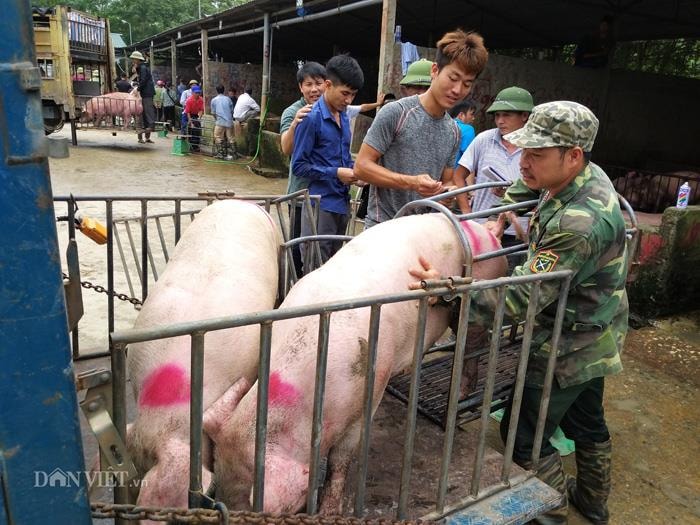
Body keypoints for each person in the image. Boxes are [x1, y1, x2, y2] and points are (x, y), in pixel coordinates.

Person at [410, 101, 628, 525]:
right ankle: (594, 505)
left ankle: (551, 515)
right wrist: (500, 214)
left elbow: (519, 299)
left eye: (536, 155)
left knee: (522, 435)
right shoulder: (581, 175)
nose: (524, 163)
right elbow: (532, 185)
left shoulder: (579, 223)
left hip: (567, 343)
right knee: (588, 422)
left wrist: (449, 292)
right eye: (523, 152)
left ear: (573, 155)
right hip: (599, 330)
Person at [354, 30, 489, 228]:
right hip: (383, 228)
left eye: (467, 84)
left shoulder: (453, 131)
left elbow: (448, 181)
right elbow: (361, 166)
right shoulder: (396, 113)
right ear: (435, 71)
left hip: (424, 231)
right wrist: (411, 182)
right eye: (453, 78)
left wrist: (447, 194)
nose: (458, 89)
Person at [291, 54, 364, 265]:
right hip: (319, 205)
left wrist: (356, 173)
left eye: (353, 95)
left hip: (341, 203)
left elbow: (342, 159)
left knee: (334, 268)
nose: (349, 100)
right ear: (329, 85)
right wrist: (336, 173)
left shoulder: (344, 117)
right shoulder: (310, 118)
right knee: (314, 268)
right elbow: (298, 166)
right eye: (345, 93)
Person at [453, 86, 534, 246]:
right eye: (497, 115)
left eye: (506, 115)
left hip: (518, 234)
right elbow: (458, 175)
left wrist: (510, 194)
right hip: (482, 228)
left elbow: (545, 191)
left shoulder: (536, 147)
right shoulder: (484, 140)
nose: (500, 121)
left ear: (524, 116)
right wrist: (467, 214)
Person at [280, 61, 327, 276]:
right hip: (300, 195)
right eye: (309, 84)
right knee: (299, 250)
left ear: (327, 84)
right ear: (301, 87)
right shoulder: (293, 112)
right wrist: (294, 125)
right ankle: (295, 293)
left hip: (327, 195)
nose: (314, 89)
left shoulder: (332, 110)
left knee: (322, 248)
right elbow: (285, 148)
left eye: (318, 83)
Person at [130, 51, 156, 144]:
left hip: (147, 92)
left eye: (134, 59)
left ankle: (150, 126)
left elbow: (144, 80)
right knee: (143, 113)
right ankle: (145, 133)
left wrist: (138, 89)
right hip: (145, 92)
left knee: (147, 110)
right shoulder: (140, 68)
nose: (132, 61)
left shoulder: (143, 68)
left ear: (137, 59)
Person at [448, 99, 477, 166]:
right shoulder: (468, 129)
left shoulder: (443, 125)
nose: (473, 118)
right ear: (461, 115)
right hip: (455, 174)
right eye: (471, 114)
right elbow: (470, 158)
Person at [211, 84, 235, 158]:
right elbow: (232, 111)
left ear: (217, 91)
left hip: (220, 121)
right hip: (229, 121)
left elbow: (213, 113)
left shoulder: (214, 100)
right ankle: (234, 154)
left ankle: (221, 153)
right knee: (231, 138)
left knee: (218, 136)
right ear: (224, 90)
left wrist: (217, 119)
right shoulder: (228, 99)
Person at [184, 85, 204, 151]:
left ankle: (196, 145)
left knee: (197, 129)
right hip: (188, 115)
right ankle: (189, 145)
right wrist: (190, 122)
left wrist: (199, 117)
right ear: (192, 93)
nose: (197, 94)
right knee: (189, 130)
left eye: (198, 93)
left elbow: (201, 109)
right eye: (196, 93)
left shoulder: (201, 99)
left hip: (196, 115)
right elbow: (188, 112)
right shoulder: (189, 100)